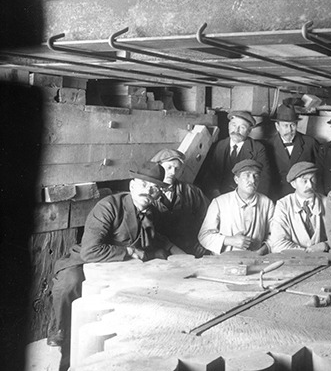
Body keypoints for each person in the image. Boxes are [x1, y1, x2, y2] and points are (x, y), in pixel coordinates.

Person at [47, 162, 185, 346]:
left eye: (154, 188)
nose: (148, 192)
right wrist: (128, 251)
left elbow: (158, 238)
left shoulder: (152, 211)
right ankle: (59, 329)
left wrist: (183, 256)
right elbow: (90, 250)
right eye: (143, 185)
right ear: (132, 185)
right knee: (70, 282)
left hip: (125, 263)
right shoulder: (109, 206)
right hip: (89, 259)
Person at [198, 159, 274, 255]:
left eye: (256, 175)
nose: (252, 180)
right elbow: (204, 236)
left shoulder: (267, 203)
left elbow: (276, 235)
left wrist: (261, 251)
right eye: (247, 175)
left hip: (256, 259)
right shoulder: (219, 202)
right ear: (236, 179)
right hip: (224, 261)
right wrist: (229, 240)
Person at [196, 110, 271, 199]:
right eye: (234, 125)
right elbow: (209, 175)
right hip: (220, 197)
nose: (236, 130)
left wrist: (250, 200)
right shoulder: (219, 146)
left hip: (246, 199)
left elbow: (264, 181)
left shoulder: (258, 149)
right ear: (228, 126)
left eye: (242, 127)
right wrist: (215, 194)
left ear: (249, 130)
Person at [150, 148, 210, 257]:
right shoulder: (147, 193)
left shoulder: (192, 191)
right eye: (168, 168)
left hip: (190, 249)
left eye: (176, 168)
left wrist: (203, 242)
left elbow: (208, 219)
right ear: (157, 167)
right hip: (160, 251)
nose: (173, 173)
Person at [268, 162, 329, 253]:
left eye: (312, 179)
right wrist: (306, 252)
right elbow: (277, 244)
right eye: (304, 181)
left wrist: (326, 245)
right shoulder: (283, 204)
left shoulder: (327, 202)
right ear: (293, 184)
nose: (310, 185)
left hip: (326, 258)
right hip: (294, 261)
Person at [265, 103, 319, 200]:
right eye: (285, 126)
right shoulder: (268, 145)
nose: (289, 130)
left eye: (292, 125)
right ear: (277, 126)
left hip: (304, 196)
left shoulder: (310, 143)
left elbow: (320, 170)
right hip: (277, 197)